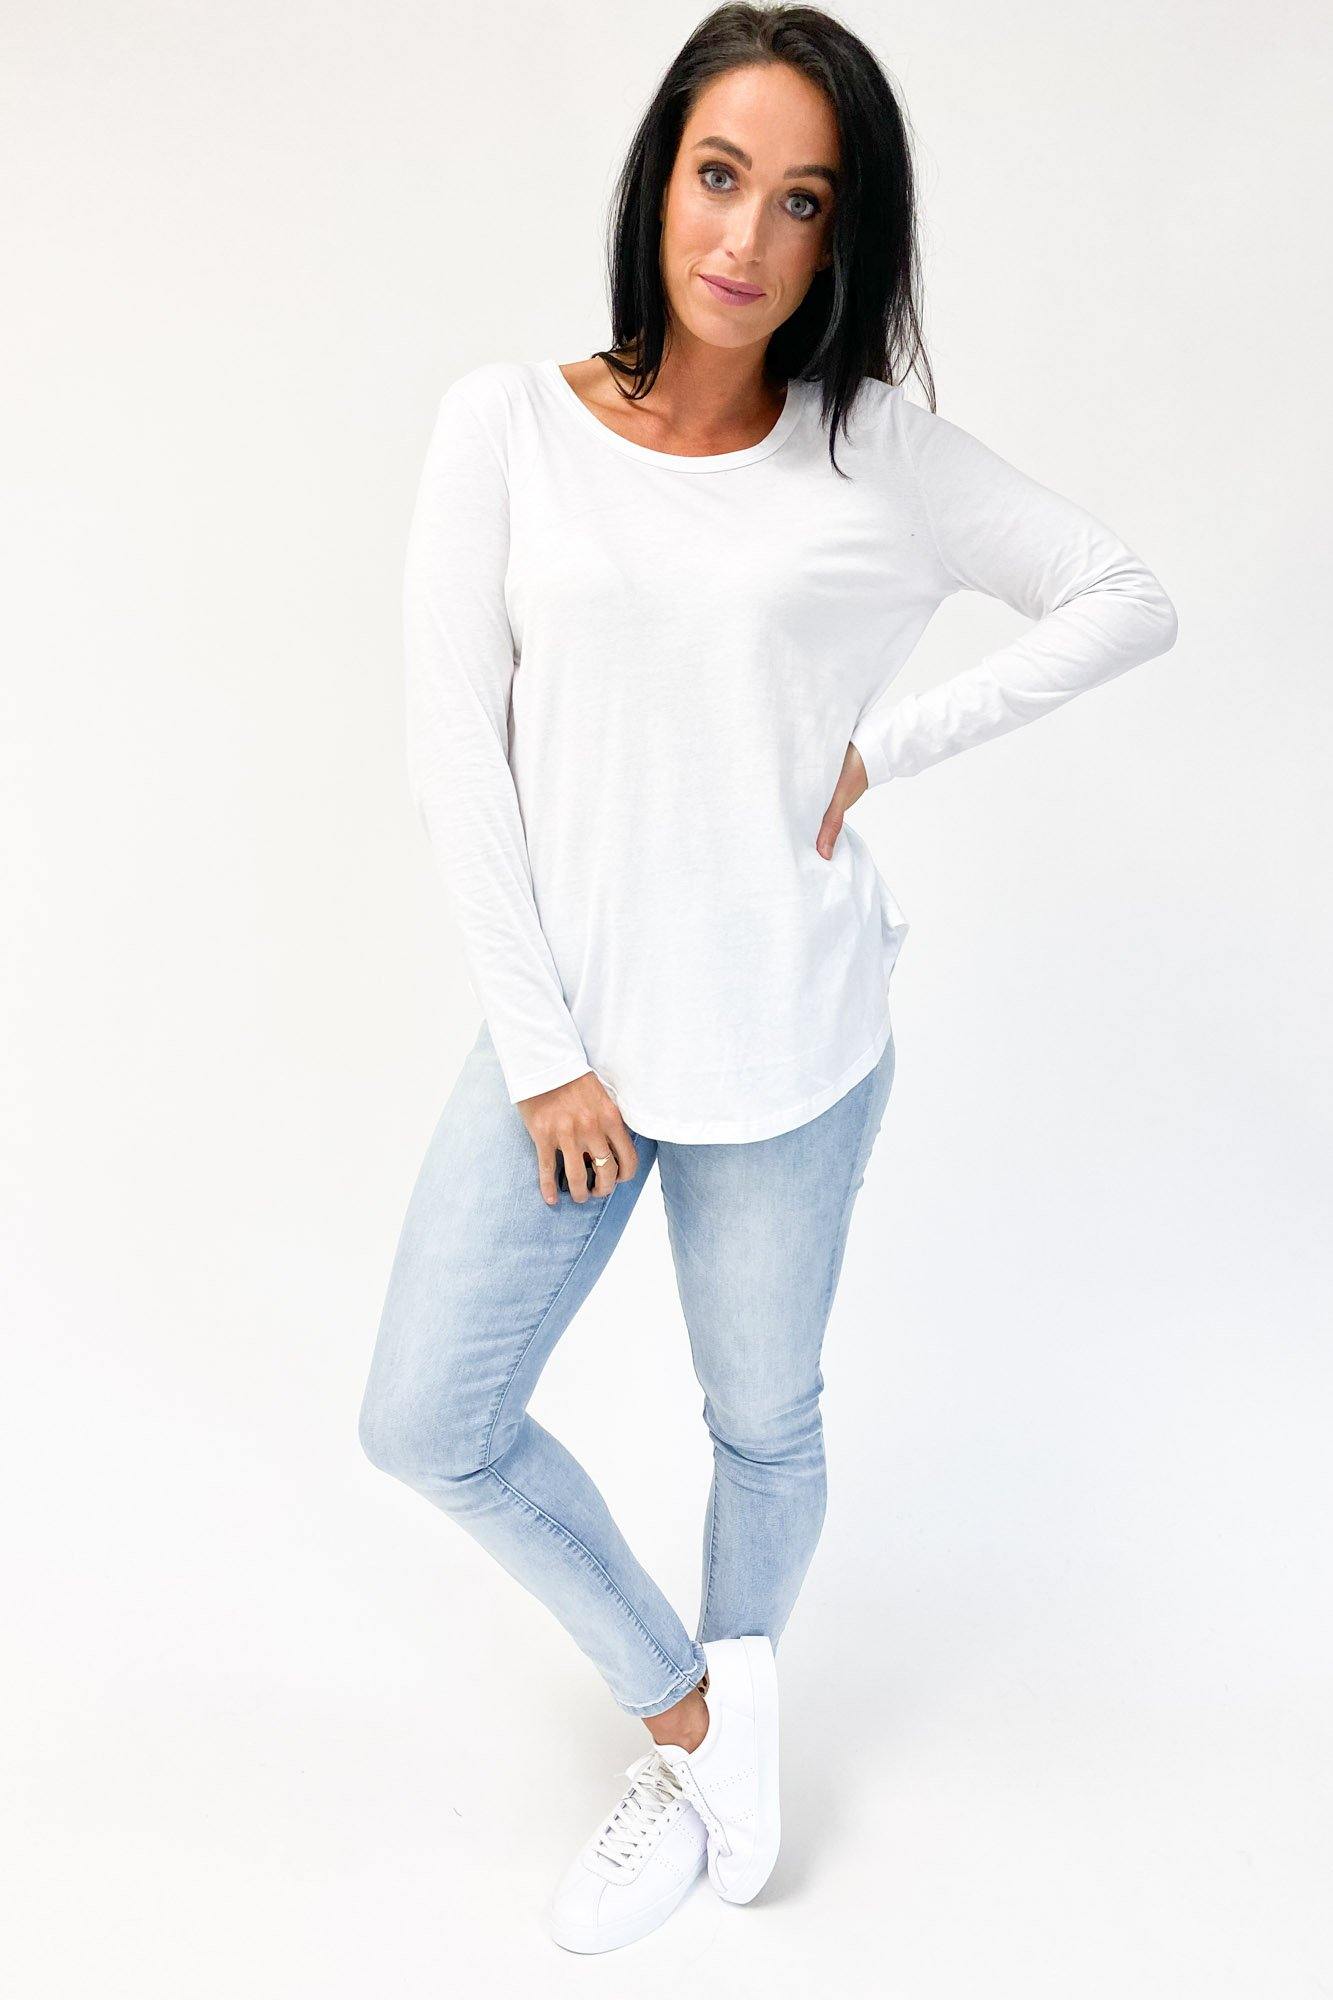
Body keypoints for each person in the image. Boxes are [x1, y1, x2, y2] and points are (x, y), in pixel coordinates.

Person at [357, 1, 1179, 1955]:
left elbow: (1122, 596)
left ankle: (719, 1748)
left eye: (800, 201)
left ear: (842, 233)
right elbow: (455, 758)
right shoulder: (507, 426)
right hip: (574, 1044)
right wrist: (544, 1056)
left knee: (761, 1422)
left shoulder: (871, 452)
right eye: (718, 176)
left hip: (791, 1036)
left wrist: (885, 747)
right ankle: (700, 1724)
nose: (745, 236)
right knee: (426, 1417)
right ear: (659, 179)